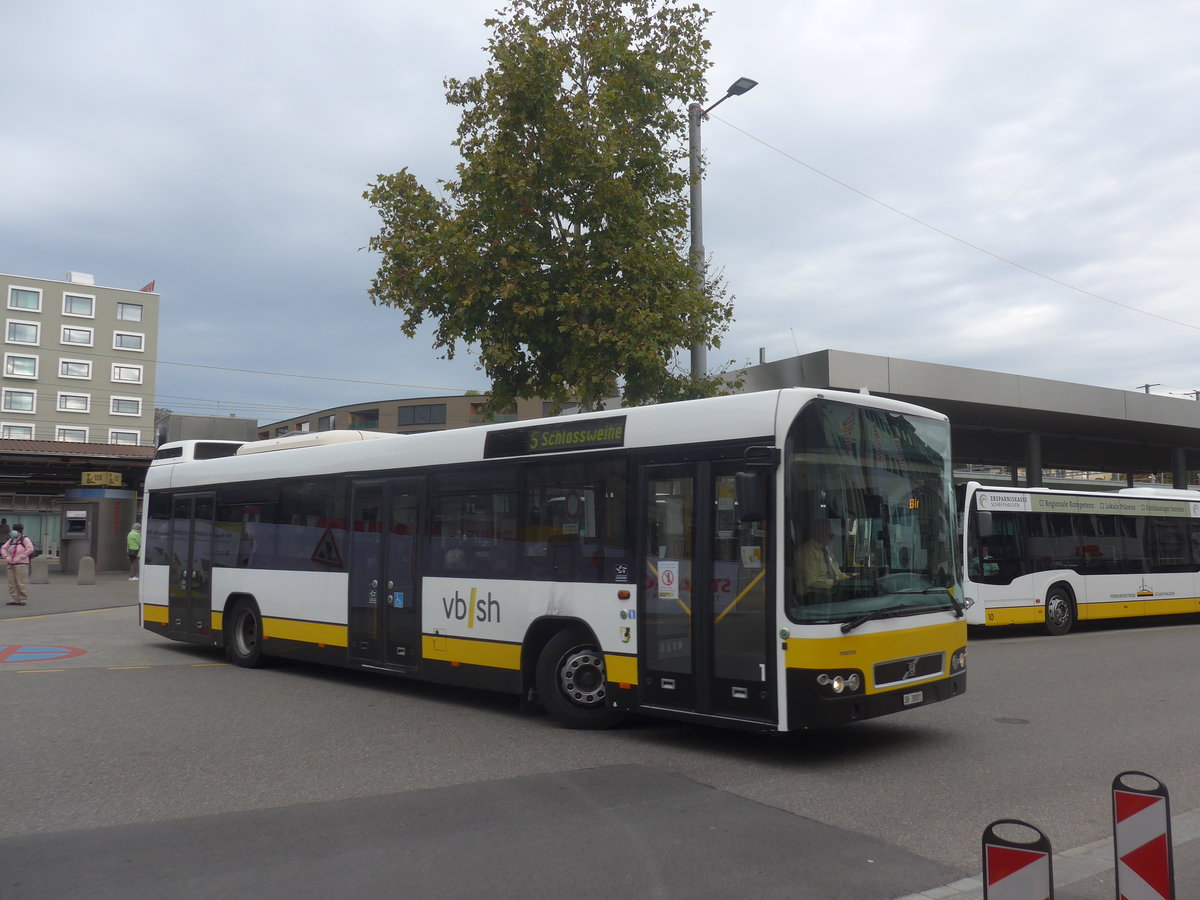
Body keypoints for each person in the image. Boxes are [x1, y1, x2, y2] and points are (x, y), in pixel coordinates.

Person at [797, 519, 851, 593]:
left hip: (829, 595)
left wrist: (849, 578)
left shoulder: (828, 552)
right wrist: (834, 583)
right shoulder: (807, 551)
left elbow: (837, 575)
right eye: (829, 533)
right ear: (818, 532)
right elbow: (811, 582)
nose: (832, 535)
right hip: (811, 598)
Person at [2, 523, 36, 606]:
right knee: (11, 582)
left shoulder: (25, 539)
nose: (13, 532)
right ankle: (14, 598)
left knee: (21, 582)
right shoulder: (11, 540)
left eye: (15, 530)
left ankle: (22, 599)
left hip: (21, 564)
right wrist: (6, 557)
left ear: (19, 531)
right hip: (11, 563)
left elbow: (30, 549)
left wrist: (20, 557)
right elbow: (3, 548)